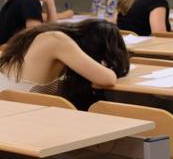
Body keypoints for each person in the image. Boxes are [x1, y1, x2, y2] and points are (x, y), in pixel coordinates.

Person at [0, 20, 130, 110]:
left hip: (15, 111)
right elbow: (108, 79)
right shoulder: (57, 40)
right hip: (13, 114)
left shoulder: (47, 37)